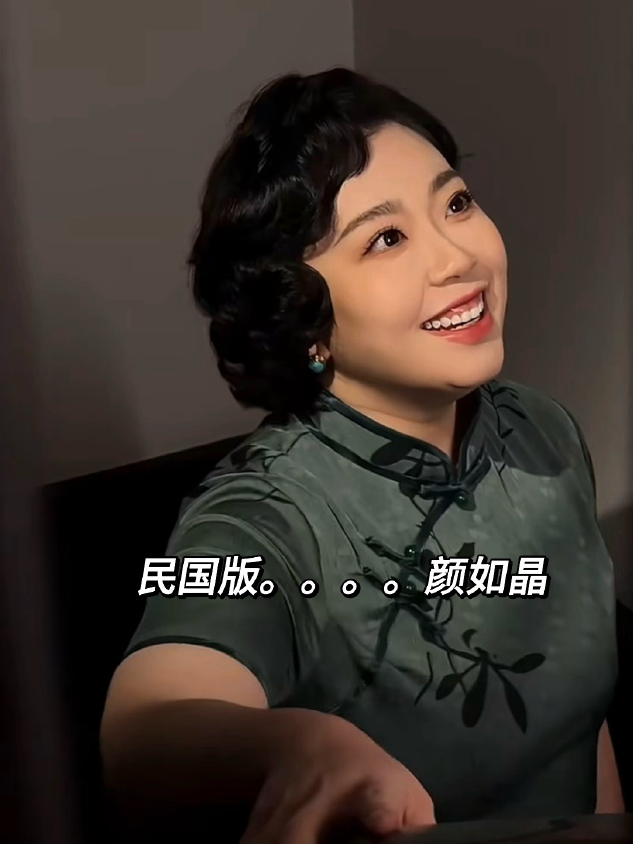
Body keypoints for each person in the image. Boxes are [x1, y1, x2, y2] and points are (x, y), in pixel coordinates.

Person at [100, 68, 623, 843]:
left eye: (455, 203)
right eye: (386, 239)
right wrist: (299, 745)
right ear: (303, 319)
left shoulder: (541, 429)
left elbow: (580, 725)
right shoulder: (265, 515)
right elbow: (144, 725)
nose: (457, 257)